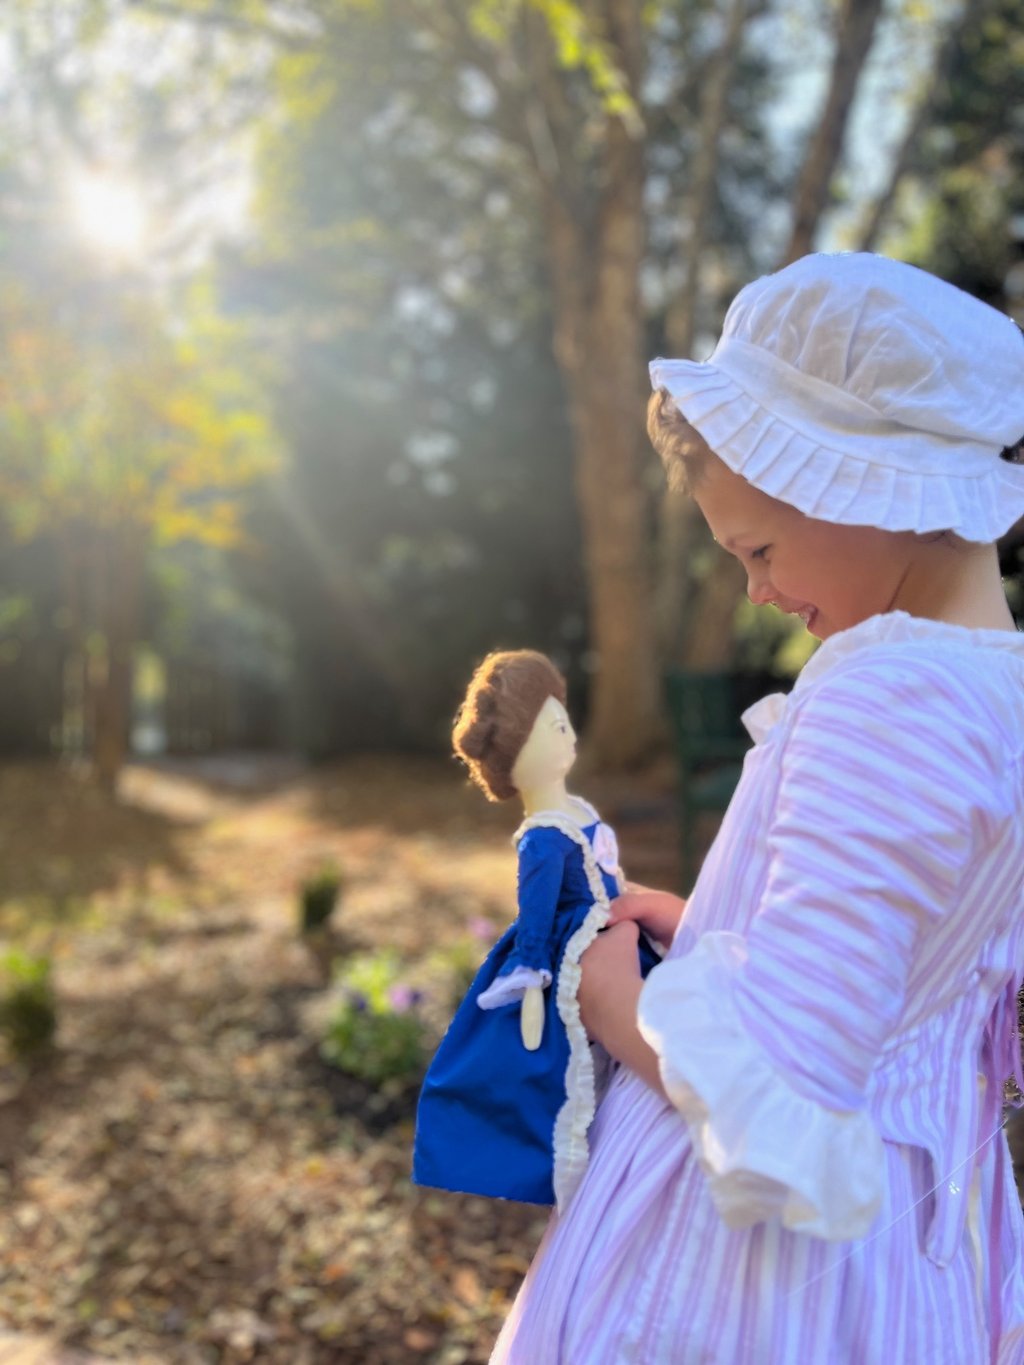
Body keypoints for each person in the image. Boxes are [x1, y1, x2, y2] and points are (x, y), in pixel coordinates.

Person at [490, 253, 1024, 1364]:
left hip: (764, 1276)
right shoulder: (994, 682)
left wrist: (612, 1006)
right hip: (915, 1235)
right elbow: (944, 961)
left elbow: (796, 1058)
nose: (757, 592)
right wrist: (723, 933)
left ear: (856, 479)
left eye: (759, 548)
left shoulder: (888, 691)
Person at [412, 649, 661, 1210]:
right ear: (521, 751)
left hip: (617, 928)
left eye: (565, 719)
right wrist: (532, 975)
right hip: (579, 947)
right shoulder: (544, 834)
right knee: (586, 1054)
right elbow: (538, 912)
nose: (569, 733)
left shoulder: (574, 807)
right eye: (554, 726)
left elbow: (607, 874)